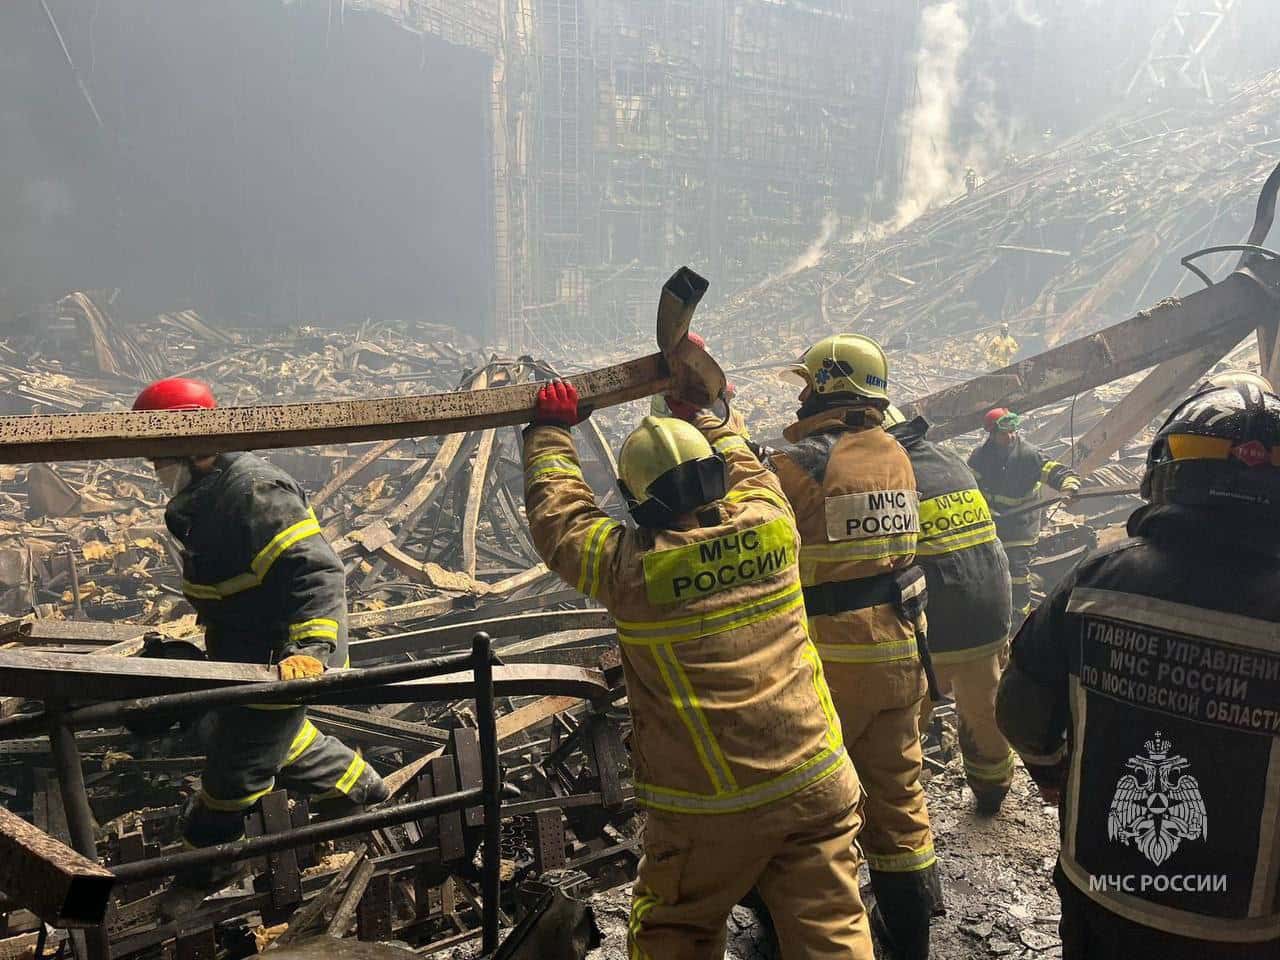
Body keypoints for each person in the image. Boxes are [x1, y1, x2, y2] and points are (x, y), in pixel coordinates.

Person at [522, 374, 871, 960]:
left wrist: (549, 433)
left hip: (712, 807)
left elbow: (561, 523)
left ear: (637, 503)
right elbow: (747, 464)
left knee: (674, 932)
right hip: (817, 778)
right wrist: (707, 413)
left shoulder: (630, 571)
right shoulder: (773, 523)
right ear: (714, 476)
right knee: (833, 927)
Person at [996, 379, 1280, 959]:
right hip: (1245, 927)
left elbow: (1021, 707)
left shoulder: (1097, 579)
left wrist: (1049, 773)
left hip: (1102, 896)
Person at [134, 378, 387, 908]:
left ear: (194, 444)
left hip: (282, 659)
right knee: (273, 737)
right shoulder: (201, 500)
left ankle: (201, 873)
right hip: (241, 654)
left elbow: (317, 574)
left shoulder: (253, 492)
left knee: (233, 773)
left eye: (161, 452)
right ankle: (363, 789)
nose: (156, 465)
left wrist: (311, 652)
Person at [767, 335, 940, 960]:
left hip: (831, 665)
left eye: (808, 383)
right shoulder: (894, 451)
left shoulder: (799, 467)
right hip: (901, 652)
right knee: (900, 801)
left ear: (828, 387)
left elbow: (755, 520)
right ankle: (913, 941)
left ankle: (819, 934)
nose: (802, 392)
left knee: (819, 810)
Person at [882, 405, 1016, 815]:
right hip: (991, 613)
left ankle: (895, 806)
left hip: (937, 624)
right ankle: (992, 793)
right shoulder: (949, 460)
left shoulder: (888, 474)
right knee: (984, 707)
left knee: (902, 721)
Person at [968, 408, 1080, 625]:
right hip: (994, 522)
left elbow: (1059, 473)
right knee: (992, 567)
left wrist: (1069, 487)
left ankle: (1020, 619)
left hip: (1022, 525)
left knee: (1017, 571)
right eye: (1004, 433)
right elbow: (969, 486)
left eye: (1013, 431)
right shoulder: (980, 456)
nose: (1010, 436)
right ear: (991, 433)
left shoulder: (1029, 455)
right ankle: (996, 612)